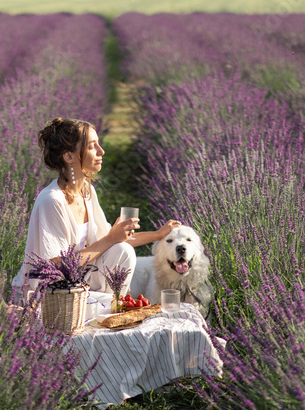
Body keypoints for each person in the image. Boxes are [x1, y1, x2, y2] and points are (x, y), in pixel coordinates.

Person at [12, 117, 181, 304]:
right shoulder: (51, 201)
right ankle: (104, 308)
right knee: (116, 254)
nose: (101, 151)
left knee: (122, 250)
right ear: (69, 156)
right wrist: (110, 239)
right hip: (46, 293)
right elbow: (51, 269)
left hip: (75, 283)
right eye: (92, 146)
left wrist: (158, 235)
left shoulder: (87, 192)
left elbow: (114, 243)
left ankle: (109, 306)